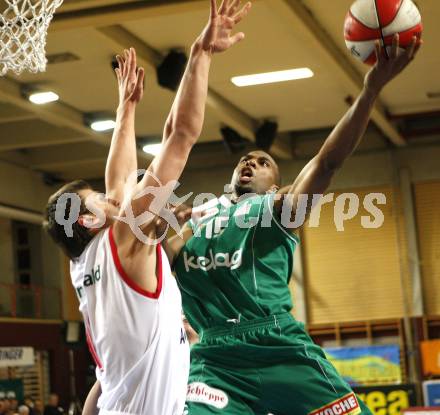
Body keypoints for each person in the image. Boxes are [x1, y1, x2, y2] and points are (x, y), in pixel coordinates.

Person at [169, 35, 419, 414]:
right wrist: (157, 227)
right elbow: (156, 257)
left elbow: (326, 162)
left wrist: (370, 90)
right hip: (216, 360)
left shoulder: (278, 209)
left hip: (278, 345)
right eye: (245, 160)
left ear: (277, 182)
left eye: (263, 161)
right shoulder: (197, 220)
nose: (249, 163)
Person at [44, 1, 251, 414]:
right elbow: (181, 135)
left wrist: (127, 111)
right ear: (88, 219)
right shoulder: (123, 239)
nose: (111, 198)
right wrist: (201, 55)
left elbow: (119, 184)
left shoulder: (84, 264)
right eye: (99, 200)